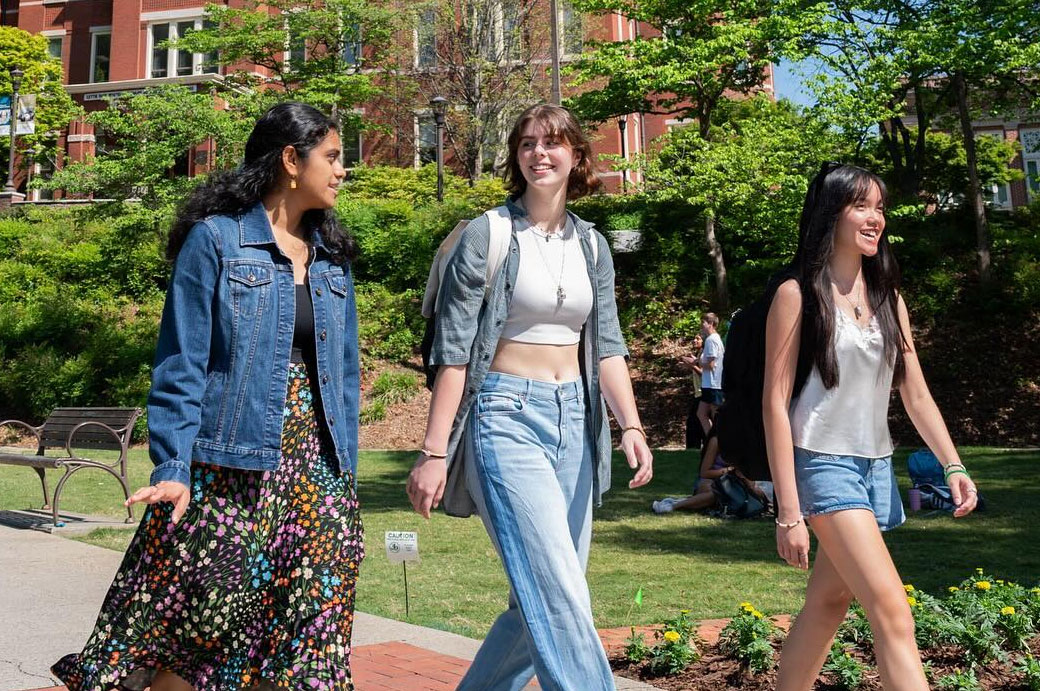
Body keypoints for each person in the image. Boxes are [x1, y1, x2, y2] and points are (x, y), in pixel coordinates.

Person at [52, 102, 364, 691]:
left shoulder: (331, 256)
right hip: (233, 465)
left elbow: (343, 376)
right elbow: (182, 362)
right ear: (292, 161)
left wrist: (344, 473)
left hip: (317, 471)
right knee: (203, 632)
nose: (343, 169)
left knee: (307, 634)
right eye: (333, 156)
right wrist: (174, 465)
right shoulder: (216, 242)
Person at [406, 103, 653, 691]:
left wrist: (632, 427)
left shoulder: (592, 245)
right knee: (558, 590)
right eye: (527, 144)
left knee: (542, 593)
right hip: (505, 415)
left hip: (577, 419)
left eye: (553, 143)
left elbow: (608, 345)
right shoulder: (487, 235)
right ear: (516, 156)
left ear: (577, 156)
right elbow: (455, 352)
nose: (540, 153)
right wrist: (434, 451)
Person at [763, 163, 979, 690]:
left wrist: (952, 463)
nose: (875, 218)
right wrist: (788, 511)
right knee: (892, 612)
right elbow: (774, 402)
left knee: (830, 602)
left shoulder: (887, 297)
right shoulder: (798, 294)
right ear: (831, 213)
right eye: (862, 205)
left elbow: (915, 390)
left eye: (879, 207)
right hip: (821, 461)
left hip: (874, 466)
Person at [696, 312, 724, 436]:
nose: (702, 325)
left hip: (713, 384)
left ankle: (718, 443)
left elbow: (712, 365)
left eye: (704, 322)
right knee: (701, 413)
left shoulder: (711, 340)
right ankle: (711, 441)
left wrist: (696, 363)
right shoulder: (712, 339)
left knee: (716, 416)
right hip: (709, 384)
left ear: (711, 324)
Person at [680, 333, 704, 449]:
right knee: (696, 423)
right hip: (698, 394)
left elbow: (705, 375)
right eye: (694, 338)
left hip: (704, 394)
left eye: (697, 339)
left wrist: (692, 365)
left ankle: (695, 448)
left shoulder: (705, 354)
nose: (694, 341)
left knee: (694, 423)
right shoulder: (699, 354)